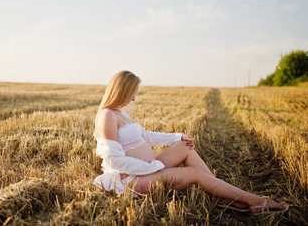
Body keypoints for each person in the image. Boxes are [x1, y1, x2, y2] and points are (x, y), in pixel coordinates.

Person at [93, 70, 289, 215]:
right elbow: (115, 161)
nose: (134, 98)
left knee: (185, 148)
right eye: (132, 93)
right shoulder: (107, 116)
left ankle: (220, 194)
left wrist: (178, 138)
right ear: (122, 90)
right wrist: (152, 167)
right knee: (194, 174)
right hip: (132, 181)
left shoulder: (121, 113)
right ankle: (255, 202)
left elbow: (146, 136)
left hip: (147, 169)